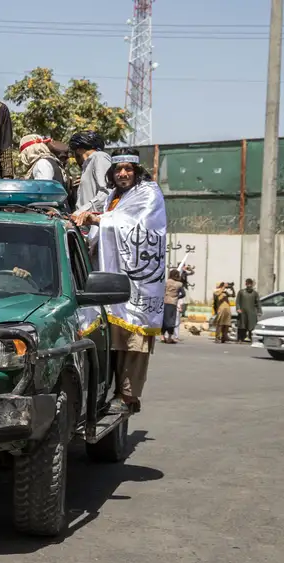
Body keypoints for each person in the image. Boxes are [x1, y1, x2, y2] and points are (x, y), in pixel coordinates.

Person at [72, 151, 166, 414]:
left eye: (128, 169)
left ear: (137, 171)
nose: (123, 174)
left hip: (139, 282)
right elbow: (103, 228)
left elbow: (136, 226)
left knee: (135, 342)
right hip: (113, 278)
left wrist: (95, 219)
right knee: (114, 342)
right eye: (118, 170)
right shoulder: (113, 196)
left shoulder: (149, 193)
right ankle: (109, 393)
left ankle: (128, 396)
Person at [68, 131, 114, 215]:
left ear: (79, 150)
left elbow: (106, 192)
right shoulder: (89, 164)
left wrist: (80, 212)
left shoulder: (99, 157)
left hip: (94, 219)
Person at [162, 269, 185, 344]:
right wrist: (177, 297)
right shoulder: (179, 284)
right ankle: (169, 337)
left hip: (165, 302)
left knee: (164, 319)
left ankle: (162, 336)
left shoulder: (167, 282)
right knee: (172, 320)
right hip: (173, 303)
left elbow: (162, 291)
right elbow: (183, 294)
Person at [236, 278, 262, 342]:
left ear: (252, 284)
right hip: (243, 312)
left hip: (252, 312)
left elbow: (258, 302)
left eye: (250, 284)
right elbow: (237, 301)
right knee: (242, 325)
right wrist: (238, 308)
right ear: (246, 284)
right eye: (248, 284)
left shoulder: (255, 293)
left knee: (251, 326)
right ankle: (240, 339)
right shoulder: (241, 292)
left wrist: (259, 311)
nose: (249, 285)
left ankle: (251, 338)